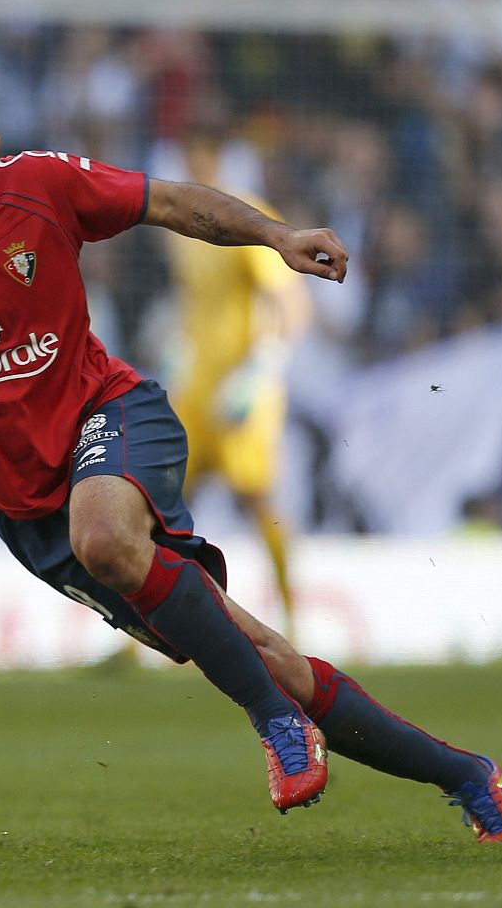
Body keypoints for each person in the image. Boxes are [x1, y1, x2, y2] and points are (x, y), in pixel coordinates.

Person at [0, 56, 502, 843]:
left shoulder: (37, 182)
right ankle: (465, 774)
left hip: (111, 413)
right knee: (267, 654)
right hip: (26, 515)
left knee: (108, 539)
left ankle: (275, 725)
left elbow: (170, 204)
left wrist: (274, 233)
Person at [164, 113, 308, 637]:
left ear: (216, 155)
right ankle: (146, 637)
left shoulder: (247, 216)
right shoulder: (179, 226)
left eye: (198, 153)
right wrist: (178, 349)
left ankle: (294, 619)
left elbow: (290, 301)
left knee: (257, 501)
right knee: (165, 503)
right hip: (196, 386)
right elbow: (192, 300)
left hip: (242, 390)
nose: (190, 164)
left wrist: (263, 367)